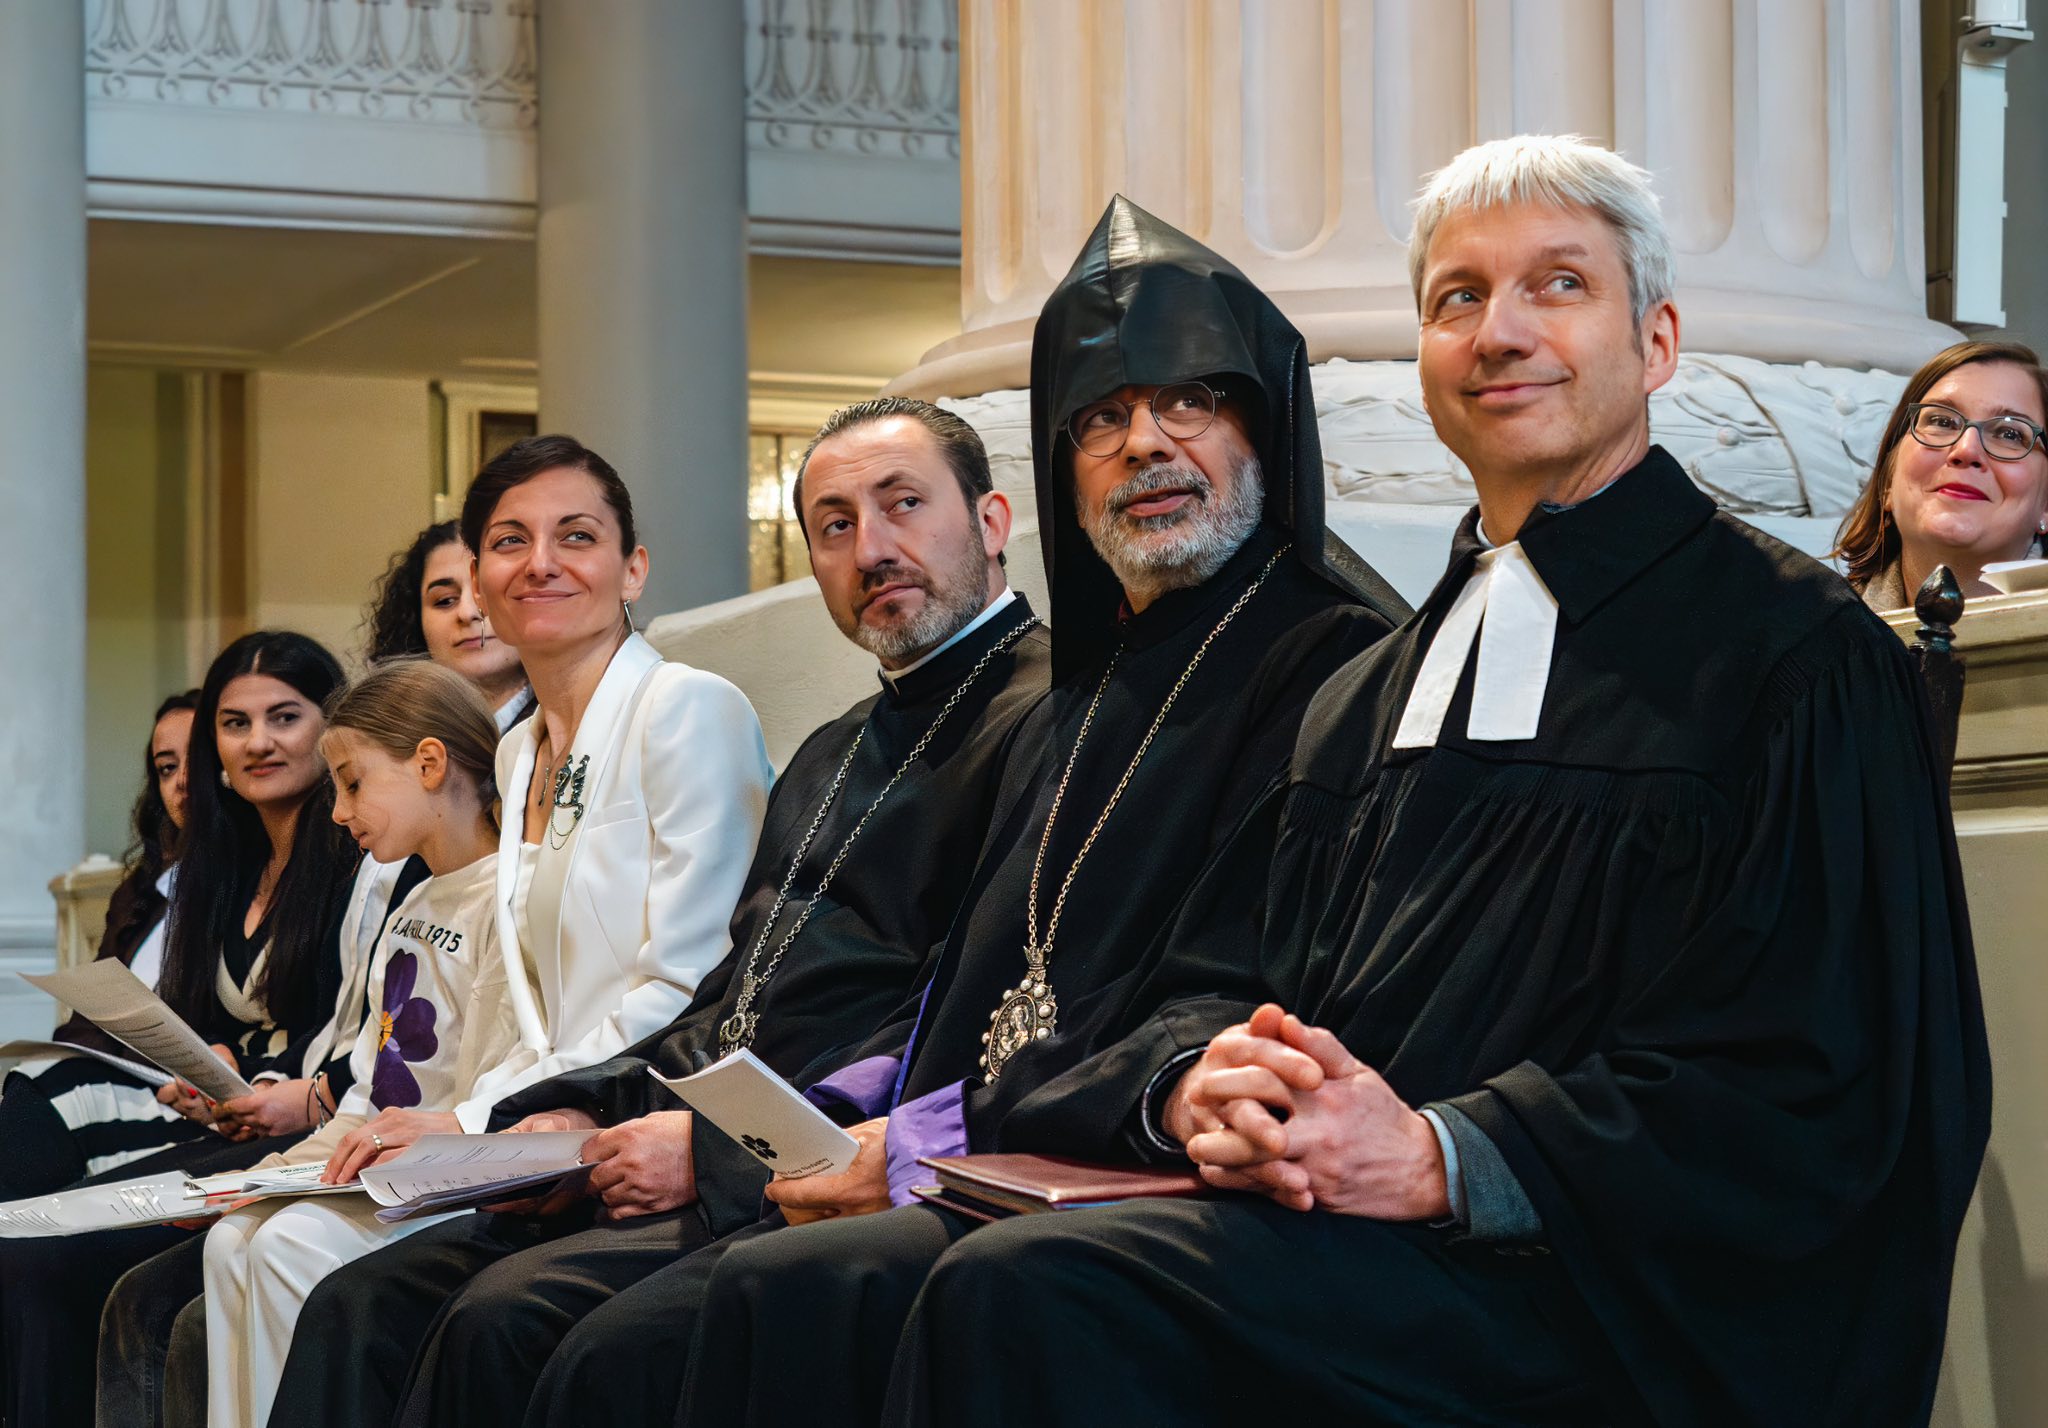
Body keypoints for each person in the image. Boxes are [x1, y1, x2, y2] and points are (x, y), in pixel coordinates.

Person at [887, 135, 1990, 1428]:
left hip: (1598, 1301)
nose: (1499, 332)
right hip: (1340, 1243)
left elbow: (1833, 1085)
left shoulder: (1797, 659)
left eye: (1558, 285)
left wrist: (1447, 1156)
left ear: (1656, 343)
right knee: (873, 1283)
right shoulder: (1369, 690)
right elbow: (1227, 972)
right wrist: (1204, 1078)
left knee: (1029, 1297)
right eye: (1457, 298)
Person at [666, 195, 1409, 1428]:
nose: (1142, 444)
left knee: (782, 1293)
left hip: (1144, 1164)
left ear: (1262, 427)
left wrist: (917, 1144)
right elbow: (968, 985)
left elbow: (1237, 990)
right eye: (1100, 419)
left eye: (1187, 402)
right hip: (987, 1147)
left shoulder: (1333, 666)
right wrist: (871, 1128)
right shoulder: (1082, 695)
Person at [270, 397, 1051, 1428]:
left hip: (825, 1158)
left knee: (514, 1325)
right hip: (695, 1125)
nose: (870, 549)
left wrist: (711, 1149)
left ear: (991, 522)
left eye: (902, 505)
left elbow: (950, 1020)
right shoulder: (835, 748)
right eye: (834, 525)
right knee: (363, 1304)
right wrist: (582, 1111)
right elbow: (731, 995)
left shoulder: (1054, 718)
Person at [0, 632, 382, 1428]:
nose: (258, 742)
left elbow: (361, 1036)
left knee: (44, 1255)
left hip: (310, 1125)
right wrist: (205, 1066)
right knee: (25, 1204)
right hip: (227, 1116)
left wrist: (280, 1088)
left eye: (284, 717)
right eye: (235, 724)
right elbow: (211, 1022)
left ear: (332, 722)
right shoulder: (224, 863)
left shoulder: (363, 856)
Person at [190, 658, 519, 1428]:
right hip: (374, 1168)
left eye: (352, 783)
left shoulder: (510, 897)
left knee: (289, 1247)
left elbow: (496, 1093)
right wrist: (266, 1176)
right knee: (230, 1237)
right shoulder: (413, 907)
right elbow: (366, 1094)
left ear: (430, 764)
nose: (338, 812)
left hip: (451, 1180)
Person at [0, 690, 202, 1196]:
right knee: (38, 1081)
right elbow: (90, 1017)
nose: (182, 782)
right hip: (124, 1079)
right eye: (166, 768)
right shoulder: (143, 890)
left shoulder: (255, 887)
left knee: (47, 1094)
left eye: (198, 760)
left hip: (194, 1103)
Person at [1834, 339, 2048, 607]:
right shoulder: (1807, 626)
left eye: (2009, 434)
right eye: (1941, 421)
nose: (1966, 449)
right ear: (1888, 481)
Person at [364, 519, 533, 729]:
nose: (468, 613)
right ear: (416, 621)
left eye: (487, 593)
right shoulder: (392, 735)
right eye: (445, 600)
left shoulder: (569, 726)